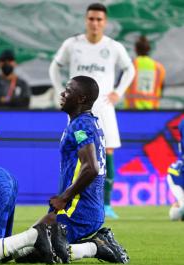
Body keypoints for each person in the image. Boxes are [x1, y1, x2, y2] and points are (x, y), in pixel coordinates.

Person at [27, 76, 128, 264]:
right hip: (78, 207)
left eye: (68, 90)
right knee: (30, 246)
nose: (63, 93)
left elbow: (91, 168)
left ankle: (96, 246)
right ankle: (95, 244)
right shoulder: (85, 122)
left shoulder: (82, 125)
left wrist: (64, 197)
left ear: (81, 99)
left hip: (78, 210)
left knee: (34, 253)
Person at [49, 3, 135, 219]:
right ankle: (71, 199)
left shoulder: (113, 47)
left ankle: (106, 204)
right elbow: (54, 66)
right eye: (91, 19)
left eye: (99, 19)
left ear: (105, 22)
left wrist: (118, 92)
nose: (95, 23)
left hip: (104, 107)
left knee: (107, 152)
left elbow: (130, 69)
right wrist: (61, 90)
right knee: (76, 153)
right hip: (78, 111)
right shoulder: (72, 44)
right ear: (86, 20)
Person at [124, 35, 166, 110]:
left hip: (132, 111)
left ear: (135, 49)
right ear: (149, 49)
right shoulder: (159, 68)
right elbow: (162, 89)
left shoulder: (130, 66)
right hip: (152, 111)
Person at [167, 119, 184, 221]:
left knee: (175, 215)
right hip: (178, 175)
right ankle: (180, 205)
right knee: (175, 215)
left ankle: (180, 205)